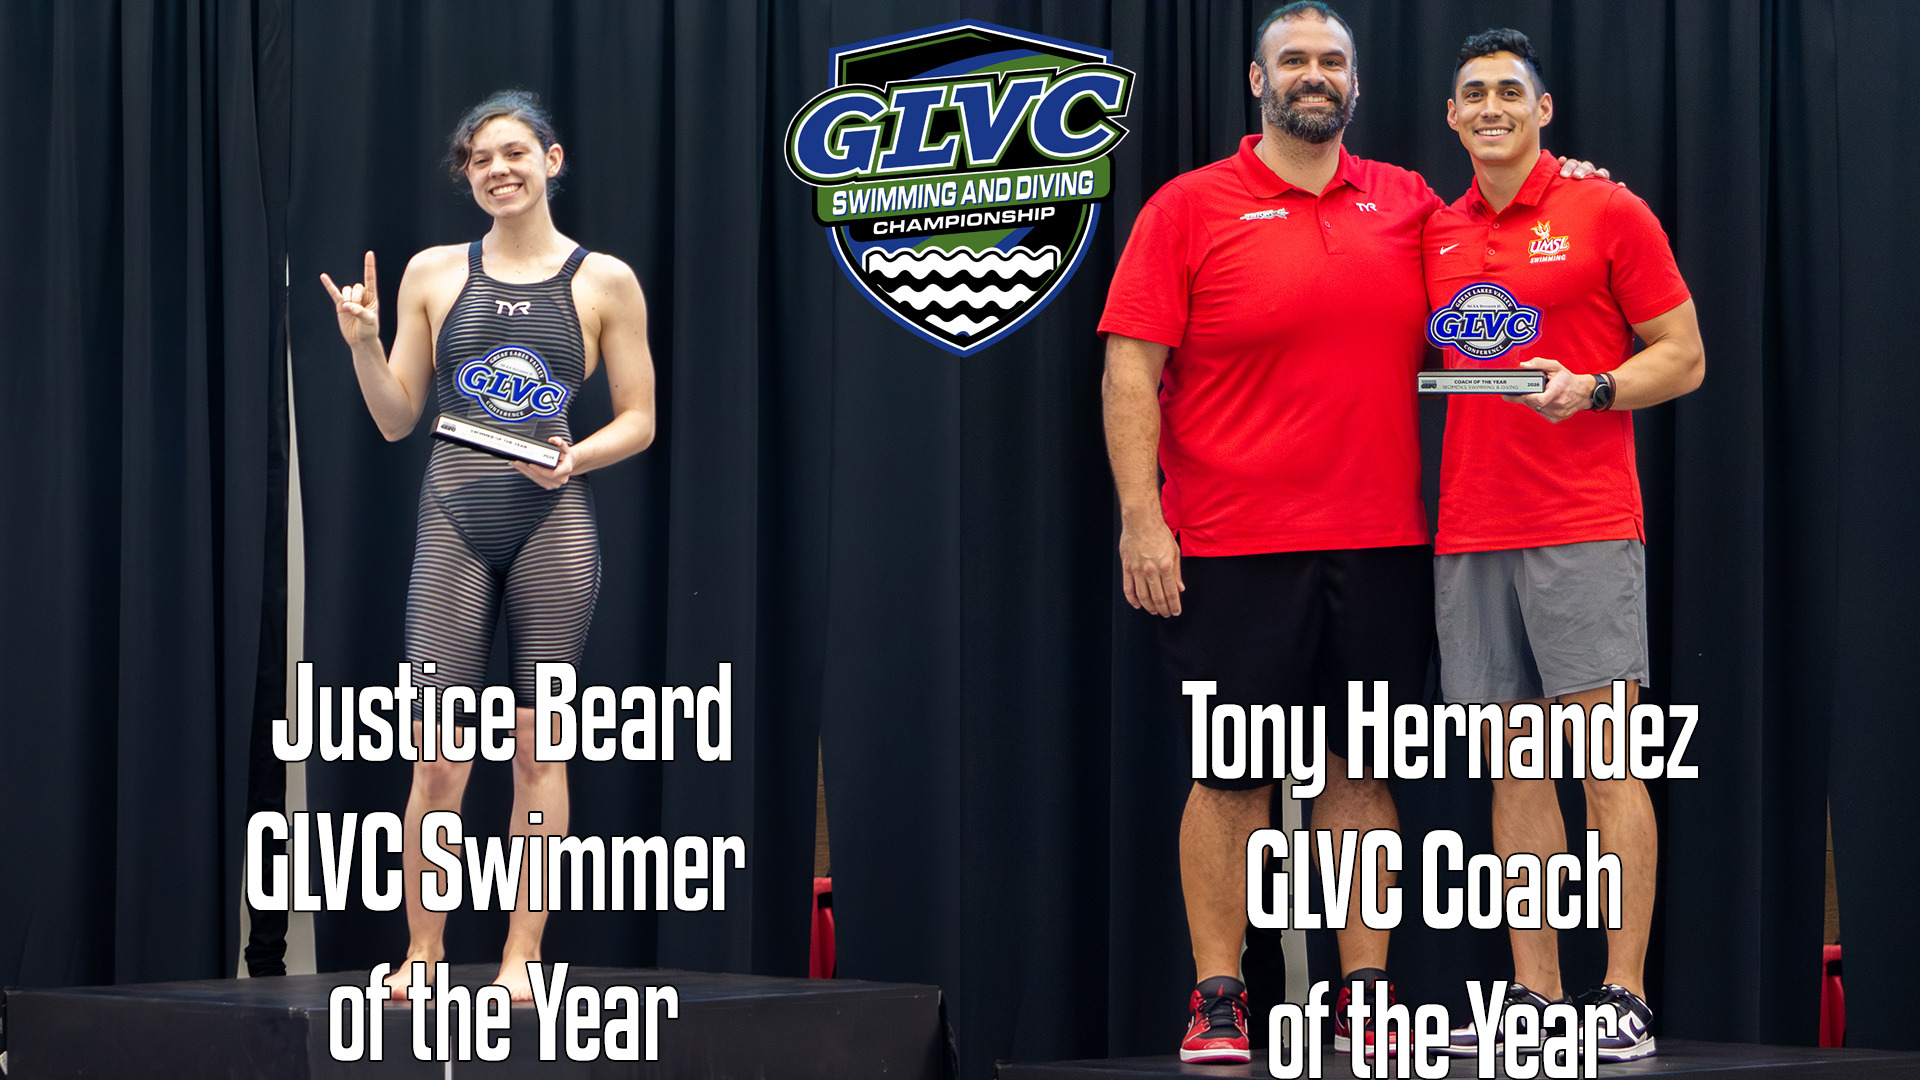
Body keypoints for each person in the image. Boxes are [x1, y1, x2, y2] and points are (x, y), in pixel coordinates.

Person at [1099, 2, 1612, 1063]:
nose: (1314, 75)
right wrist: (1142, 521)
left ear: (1356, 83)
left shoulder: (1409, 203)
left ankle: (1364, 991)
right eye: (1294, 60)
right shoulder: (1188, 207)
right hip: (1230, 546)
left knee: (1361, 775)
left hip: (1382, 545)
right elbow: (1130, 371)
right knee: (1231, 778)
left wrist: (1576, 188)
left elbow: (1502, 236)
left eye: (1332, 61)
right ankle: (1218, 997)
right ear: (1258, 81)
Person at [319, 90, 656, 1003]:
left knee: (539, 752)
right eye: (479, 160)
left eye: (513, 153)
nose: (497, 170)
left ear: (551, 159)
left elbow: (640, 418)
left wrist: (575, 456)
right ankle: (423, 952)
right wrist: (363, 344)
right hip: (454, 522)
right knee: (437, 757)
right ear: (466, 177)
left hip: (554, 523)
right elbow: (396, 420)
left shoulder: (605, 281)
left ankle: (522, 958)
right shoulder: (432, 272)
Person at [1423, 30, 1703, 1062]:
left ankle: (1623, 994)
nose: (1491, 106)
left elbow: (1684, 355)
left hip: (1582, 523)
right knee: (1516, 775)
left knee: (1606, 766)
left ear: (1544, 110)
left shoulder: (1607, 209)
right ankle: (1535, 997)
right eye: (1474, 94)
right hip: (1470, 529)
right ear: (1452, 118)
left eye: (1510, 91)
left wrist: (1596, 388)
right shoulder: (1434, 229)